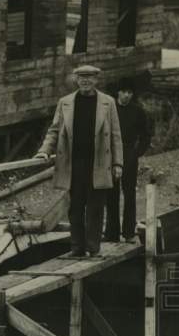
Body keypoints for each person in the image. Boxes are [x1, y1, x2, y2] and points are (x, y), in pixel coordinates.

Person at [35, 64, 123, 257]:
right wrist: (44, 151)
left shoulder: (108, 103)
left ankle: (93, 247)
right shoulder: (65, 102)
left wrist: (118, 163)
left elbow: (116, 135)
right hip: (74, 163)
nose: (85, 81)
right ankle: (77, 248)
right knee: (75, 207)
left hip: (99, 162)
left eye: (89, 77)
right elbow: (54, 131)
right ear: (76, 80)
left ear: (96, 80)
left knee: (96, 207)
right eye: (81, 77)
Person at [105, 77, 152, 242]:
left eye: (130, 92)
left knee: (129, 194)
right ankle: (111, 233)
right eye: (124, 92)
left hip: (129, 155)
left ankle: (128, 233)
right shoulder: (109, 109)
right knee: (111, 194)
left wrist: (137, 153)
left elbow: (146, 135)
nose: (126, 95)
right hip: (111, 156)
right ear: (118, 92)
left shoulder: (138, 111)